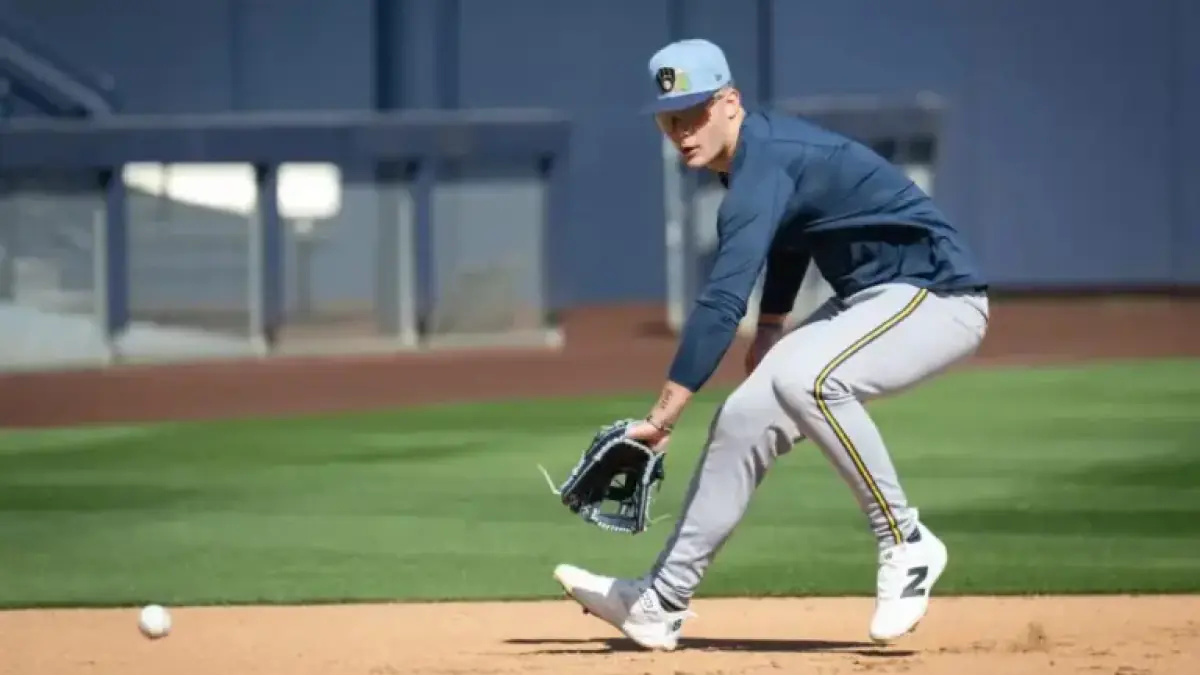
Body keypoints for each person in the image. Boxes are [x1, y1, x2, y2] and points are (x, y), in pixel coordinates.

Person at [552, 38, 990, 651]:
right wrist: (772, 327)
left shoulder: (767, 161)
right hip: (871, 301)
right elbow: (794, 234)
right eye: (669, 119)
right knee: (744, 416)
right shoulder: (757, 159)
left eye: (694, 113)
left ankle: (906, 541)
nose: (681, 131)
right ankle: (661, 601)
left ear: (730, 102)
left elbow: (720, 301)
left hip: (937, 296)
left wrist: (664, 416)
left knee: (808, 380)